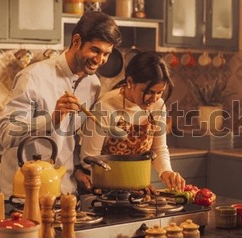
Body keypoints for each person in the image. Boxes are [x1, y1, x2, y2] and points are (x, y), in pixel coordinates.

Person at [0, 11, 122, 199]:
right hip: (25, 194)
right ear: (77, 41)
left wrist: (78, 168)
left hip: (65, 191)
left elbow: (71, 137)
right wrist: (51, 119)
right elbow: (6, 134)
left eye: (106, 54)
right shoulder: (33, 77)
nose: (99, 60)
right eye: (95, 50)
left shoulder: (93, 84)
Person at [79, 51, 186, 192]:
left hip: (137, 187)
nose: (154, 99)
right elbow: (89, 159)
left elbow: (158, 149)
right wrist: (129, 181)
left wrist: (166, 171)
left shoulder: (158, 105)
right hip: (105, 190)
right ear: (129, 82)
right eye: (148, 91)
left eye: (159, 92)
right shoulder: (105, 107)